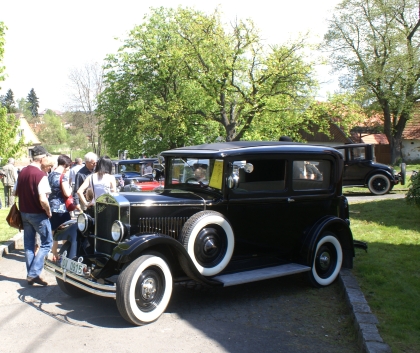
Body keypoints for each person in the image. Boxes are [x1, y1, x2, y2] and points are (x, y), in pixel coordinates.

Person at [13, 145, 52, 286]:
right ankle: (34, 273)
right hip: (38, 214)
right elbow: (43, 199)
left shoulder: (22, 172)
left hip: (24, 213)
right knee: (47, 243)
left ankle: (31, 275)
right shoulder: (40, 175)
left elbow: (14, 192)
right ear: (42, 159)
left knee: (29, 245)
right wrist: (48, 211)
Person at [48, 154, 73, 260]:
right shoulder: (63, 177)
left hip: (51, 206)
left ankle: (54, 254)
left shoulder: (50, 175)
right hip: (62, 208)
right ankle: (64, 254)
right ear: (65, 165)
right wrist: (71, 188)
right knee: (65, 232)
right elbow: (67, 193)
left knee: (54, 232)